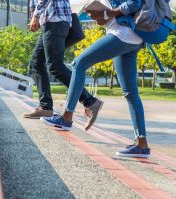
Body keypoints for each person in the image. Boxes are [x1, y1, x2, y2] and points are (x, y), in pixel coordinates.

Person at [41, 0, 151, 158]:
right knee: (130, 93)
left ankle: (66, 117)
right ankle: (142, 144)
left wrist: (110, 13)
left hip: (123, 33)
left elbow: (134, 3)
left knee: (78, 64)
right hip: (131, 36)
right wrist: (102, 15)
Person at [24, 0, 103, 131]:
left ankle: (90, 101)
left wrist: (35, 15)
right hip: (50, 21)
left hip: (54, 20)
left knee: (55, 66)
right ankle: (45, 107)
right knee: (36, 63)